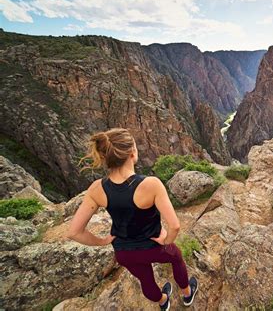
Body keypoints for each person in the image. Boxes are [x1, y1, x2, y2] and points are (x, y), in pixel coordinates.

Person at [66, 127, 198, 311]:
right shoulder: (151, 185)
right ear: (131, 153)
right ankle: (187, 293)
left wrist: (103, 241)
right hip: (154, 246)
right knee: (176, 258)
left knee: (146, 279)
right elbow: (174, 226)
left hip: (124, 252)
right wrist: (166, 241)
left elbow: (73, 232)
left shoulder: (96, 188)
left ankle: (163, 301)